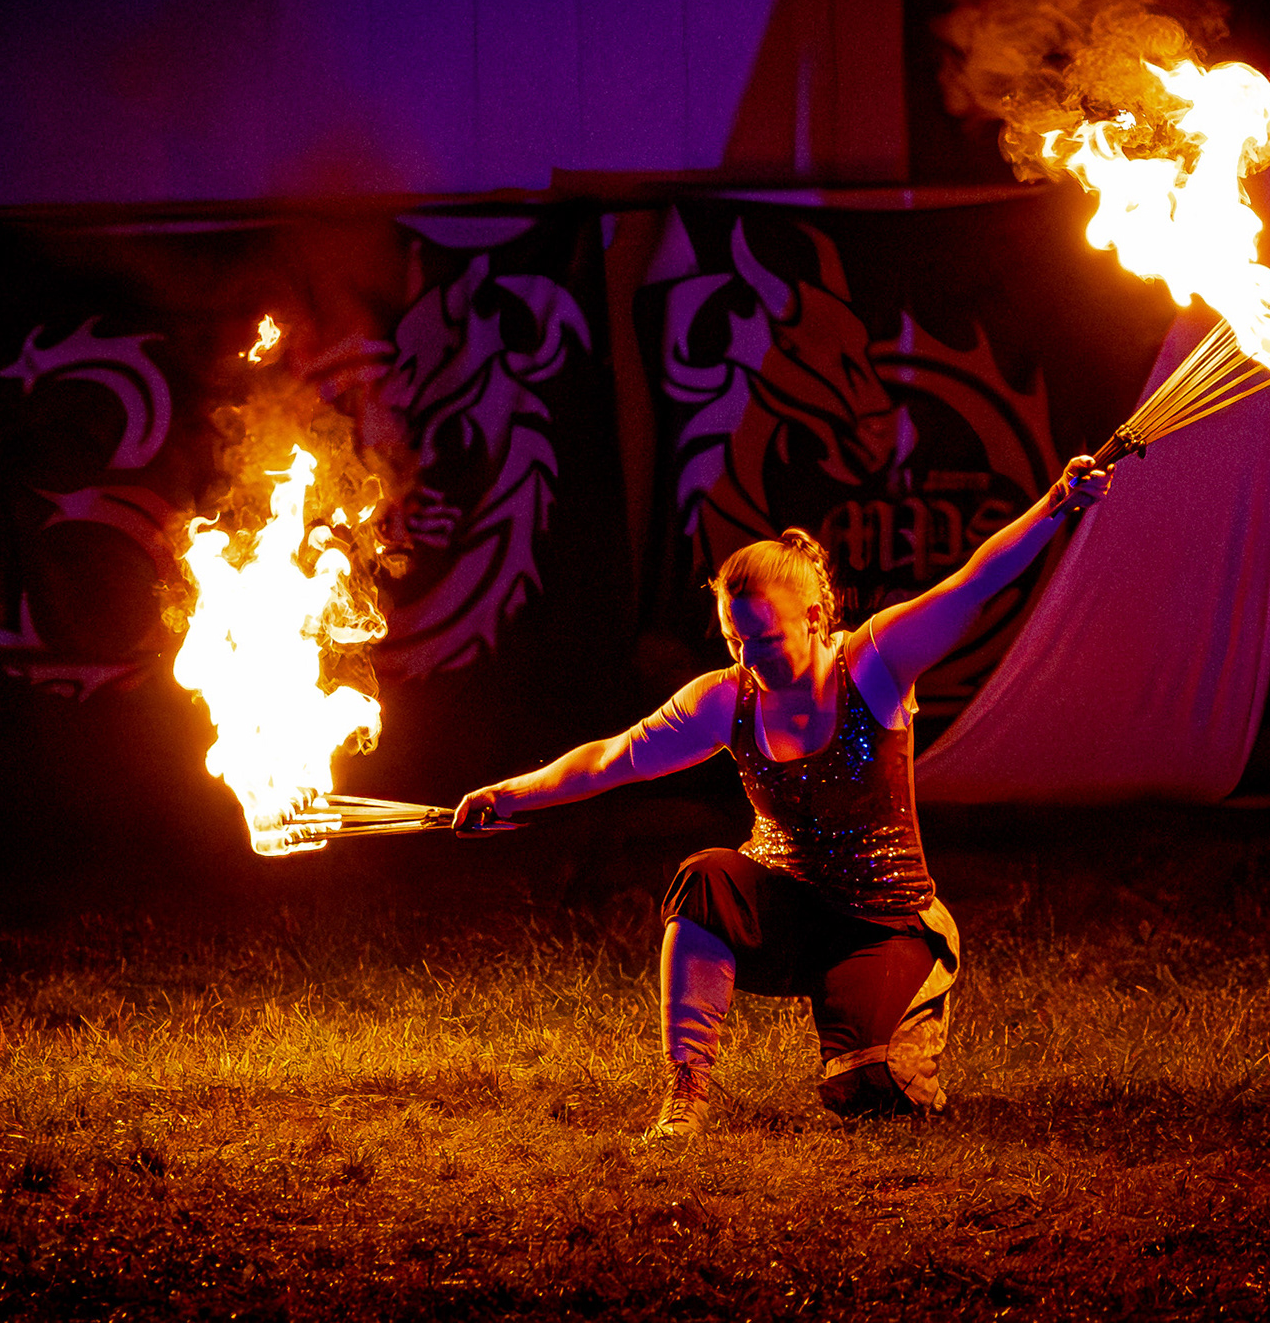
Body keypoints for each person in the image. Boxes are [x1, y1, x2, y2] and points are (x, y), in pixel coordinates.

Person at [454, 454, 1114, 1135]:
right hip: (787, 911)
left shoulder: (876, 665)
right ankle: (686, 1093)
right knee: (705, 878)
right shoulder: (724, 698)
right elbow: (613, 759)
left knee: (871, 1096)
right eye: (735, 639)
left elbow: (975, 580)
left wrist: (1060, 501)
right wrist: (508, 796)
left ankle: (887, 1026)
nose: (748, 657)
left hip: (881, 922)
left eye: (764, 638)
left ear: (816, 616)